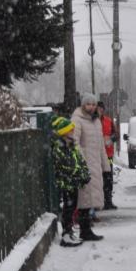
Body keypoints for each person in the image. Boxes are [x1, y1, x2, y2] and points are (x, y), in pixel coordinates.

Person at [70, 92, 108, 241]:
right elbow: (74, 142)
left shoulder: (96, 121)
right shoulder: (77, 119)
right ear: (83, 105)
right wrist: (82, 161)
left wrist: (105, 165)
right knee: (84, 198)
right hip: (85, 165)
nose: (91, 107)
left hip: (95, 164)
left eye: (93, 104)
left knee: (90, 199)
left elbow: (101, 145)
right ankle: (84, 230)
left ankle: (87, 230)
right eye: (88, 104)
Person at [51, 116, 90, 247]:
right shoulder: (60, 147)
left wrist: (84, 173)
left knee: (72, 208)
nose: (73, 132)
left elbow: (79, 161)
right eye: (70, 130)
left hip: (73, 182)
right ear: (64, 132)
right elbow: (66, 165)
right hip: (67, 183)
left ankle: (69, 232)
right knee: (68, 209)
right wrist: (77, 174)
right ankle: (66, 234)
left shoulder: (71, 145)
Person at [99, 103, 118, 210]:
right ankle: (99, 201)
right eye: (98, 108)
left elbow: (116, 134)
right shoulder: (91, 121)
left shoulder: (108, 121)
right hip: (95, 156)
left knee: (108, 178)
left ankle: (108, 200)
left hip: (108, 155)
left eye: (101, 108)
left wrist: (110, 139)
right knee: (97, 179)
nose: (100, 110)